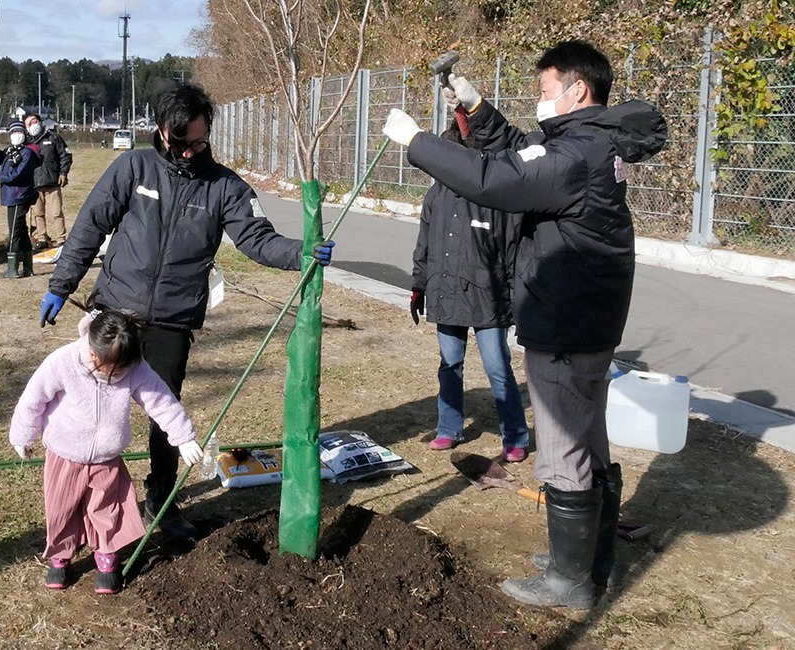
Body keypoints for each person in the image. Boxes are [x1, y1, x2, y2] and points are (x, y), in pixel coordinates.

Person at [382, 41, 667, 608]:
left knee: (562, 448)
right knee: (588, 437)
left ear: (577, 90)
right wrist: (478, 109)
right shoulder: (588, 144)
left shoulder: (577, 154)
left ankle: (569, 581)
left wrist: (418, 142)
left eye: (544, 89)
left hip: (565, 324)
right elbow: (522, 153)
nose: (540, 99)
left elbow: (499, 179)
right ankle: (591, 559)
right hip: (587, 320)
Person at [39, 83, 336, 541]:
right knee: (92, 406)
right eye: (179, 142)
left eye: (198, 142)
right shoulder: (133, 167)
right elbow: (90, 225)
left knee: (165, 412)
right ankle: (84, 497)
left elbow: (257, 239)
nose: (188, 151)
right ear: (161, 130)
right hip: (115, 310)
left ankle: (161, 498)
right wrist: (61, 285)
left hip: (172, 321)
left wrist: (301, 252)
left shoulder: (225, 187)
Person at [8, 307, 204, 594]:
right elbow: (33, 399)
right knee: (62, 508)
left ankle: (106, 555)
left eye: (119, 372)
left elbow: (161, 402)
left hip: (106, 458)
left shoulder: (136, 369)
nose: (110, 376)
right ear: (91, 348)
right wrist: (23, 435)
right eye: (103, 368)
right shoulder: (63, 361)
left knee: (107, 509)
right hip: (64, 454)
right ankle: (61, 556)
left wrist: (183, 438)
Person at [411, 103, 530, 462]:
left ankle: (515, 436)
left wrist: (516, 299)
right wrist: (419, 285)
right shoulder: (437, 194)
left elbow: (514, 251)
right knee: (449, 365)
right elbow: (425, 243)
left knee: (498, 367)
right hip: (446, 292)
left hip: (488, 297)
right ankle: (448, 428)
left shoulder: (497, 197)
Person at [0, 121, 41, 278]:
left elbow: (17, 175)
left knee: (14, 232)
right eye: (13, 132)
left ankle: (12, 268)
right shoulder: (11, 151)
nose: (17, 135)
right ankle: (28, 267)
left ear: (25, 134)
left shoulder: (28, 153)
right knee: (21, 230)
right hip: (11, 196)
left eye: (20, 132)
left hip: (20, 195)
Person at [23, 113, 73, 252]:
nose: (33, 125)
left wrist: (63, 173)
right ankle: (42, 238)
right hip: (34, 185)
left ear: (40, 122)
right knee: (38, 214)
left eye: (34, 121)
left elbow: (65, 156)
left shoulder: (53, 137)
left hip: (52, 182)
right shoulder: (26, 142)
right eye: (29, 123)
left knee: (56, 213)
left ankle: (61, 239)